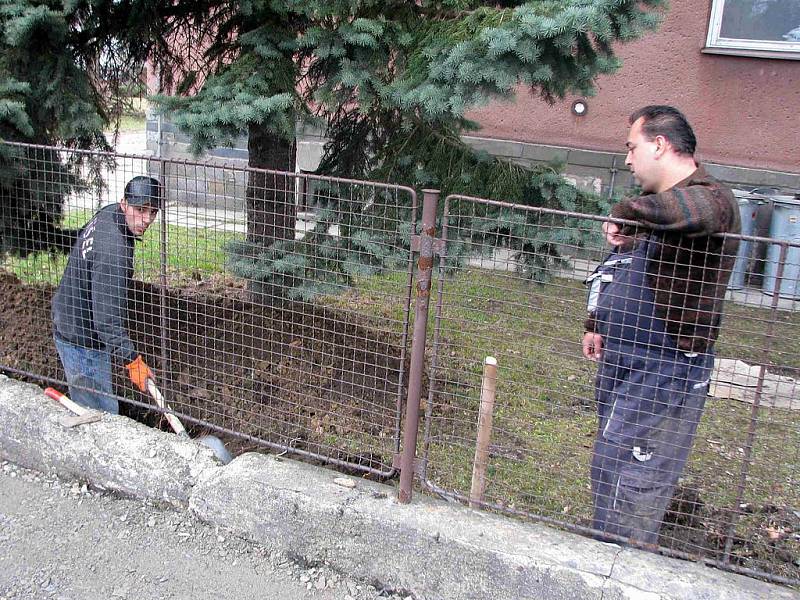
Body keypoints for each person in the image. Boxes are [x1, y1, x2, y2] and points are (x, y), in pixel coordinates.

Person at [582, 106, 740, 546]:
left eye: (632, 148)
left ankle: (620, 566)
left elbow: (703, 212)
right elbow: (627, 267)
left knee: (635, 474)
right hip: (625, 357)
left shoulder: (710, 199)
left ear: (659, 144)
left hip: (666, 366)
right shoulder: (663, 213)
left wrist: (626, 211)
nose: (629, 160)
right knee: (610, 463)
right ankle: (605, 552)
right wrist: (598, 320)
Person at [52, 176, 162, 414]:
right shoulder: (114, 252)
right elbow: (106, 320)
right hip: (81, 341)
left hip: (69, 316)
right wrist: (132, 360)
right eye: (140, 209)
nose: (146, 219)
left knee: (92, 409)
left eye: (153, 211)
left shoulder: (109, 214)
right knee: (101, 417)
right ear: (124, 204)